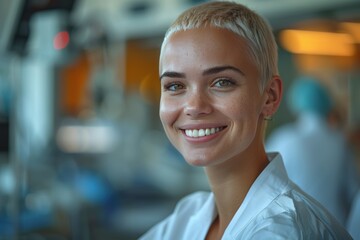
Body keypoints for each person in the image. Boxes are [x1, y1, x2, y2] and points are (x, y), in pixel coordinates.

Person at [140, 1, 352, 239]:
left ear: (269, 96)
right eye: (175, 85)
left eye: (222, 82)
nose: (194, 107)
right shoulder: (190, 215)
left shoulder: (282, 231)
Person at [266, 76, 360, 226]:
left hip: (296, 230)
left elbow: (263, 189)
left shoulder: (284, 139)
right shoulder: (339, 142)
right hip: (337, 230)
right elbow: (354, 192)